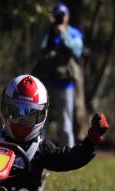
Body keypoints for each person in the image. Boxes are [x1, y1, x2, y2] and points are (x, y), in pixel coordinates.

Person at [33, 1, 83, 147]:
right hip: (45, 83)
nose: (60, 18)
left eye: (63, 15)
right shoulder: (47, 33)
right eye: (57, 15)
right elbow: (38, 48)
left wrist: (63, 34)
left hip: (65, 85)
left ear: (68, 17)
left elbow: (77, 51)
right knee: (41, 122)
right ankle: (37, 152)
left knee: (65, 124)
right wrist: (46, 28)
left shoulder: (73, 33)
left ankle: (69, 156)